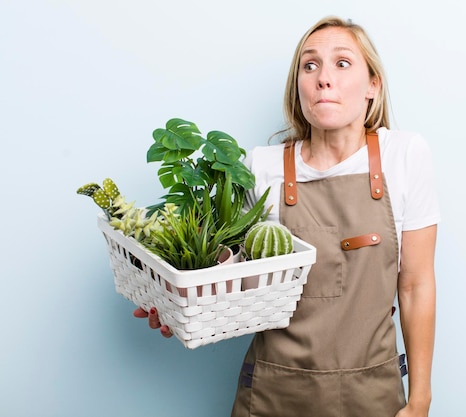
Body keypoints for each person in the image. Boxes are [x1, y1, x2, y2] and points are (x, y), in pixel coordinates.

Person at [136, 16, 440, 417]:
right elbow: (234, 284)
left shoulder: (404, 156)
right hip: (273, 393)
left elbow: (416, 285)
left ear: (373, 85)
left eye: (342, 63)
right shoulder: (261, 168)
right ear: (298, 87)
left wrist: (420, 399)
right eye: (309, 65)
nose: (323, 78)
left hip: (372, 393)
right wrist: (178, 307)